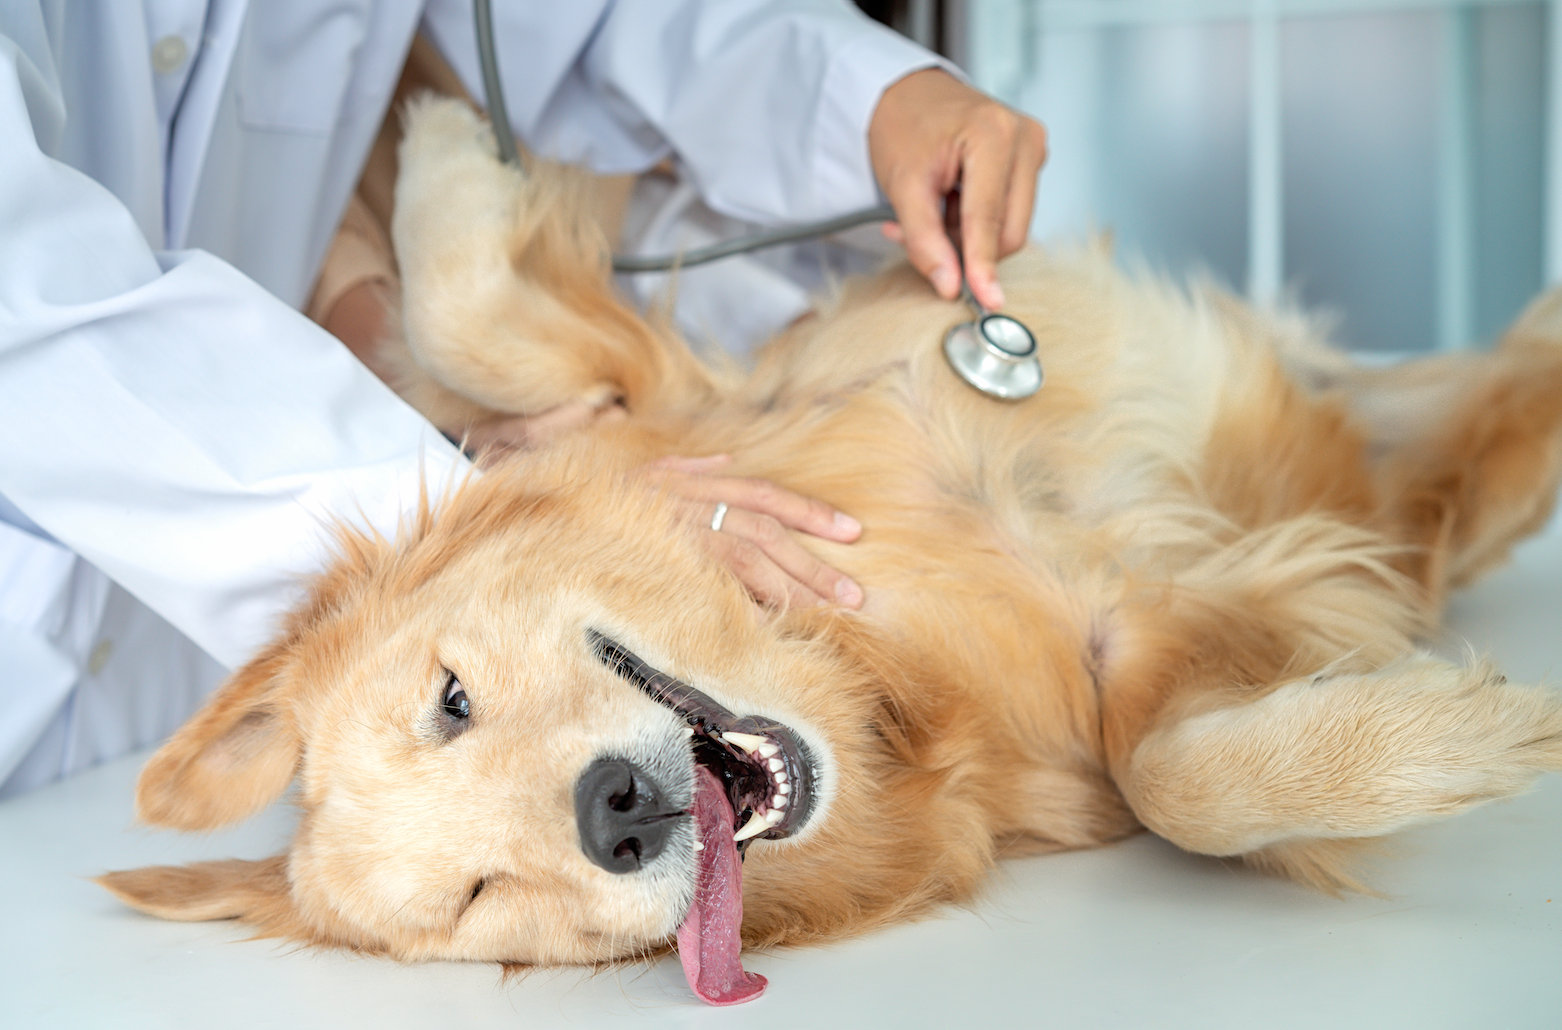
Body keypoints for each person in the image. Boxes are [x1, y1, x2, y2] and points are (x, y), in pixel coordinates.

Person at [0, 0, 1047, 795]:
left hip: (215, 689)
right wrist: (493, 514)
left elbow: (593, 23)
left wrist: (869, 94)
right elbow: (27, 300)